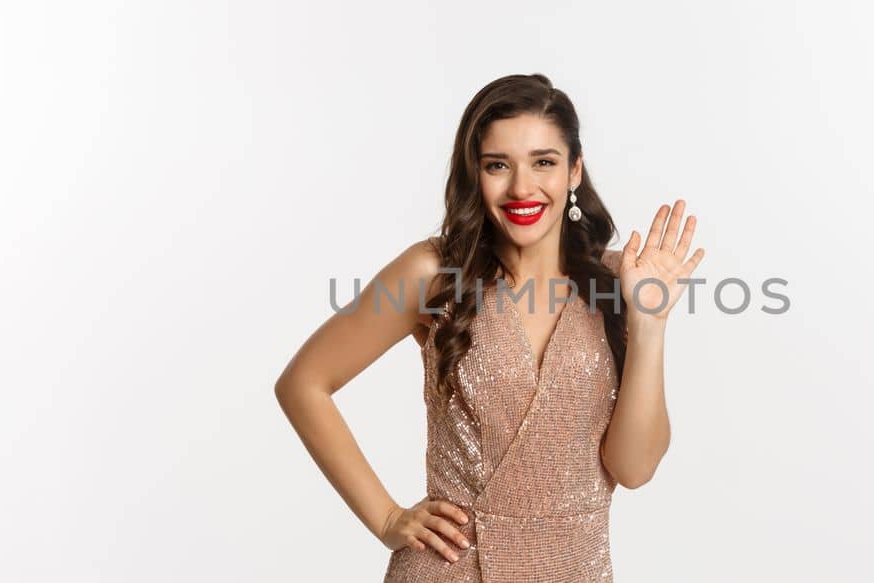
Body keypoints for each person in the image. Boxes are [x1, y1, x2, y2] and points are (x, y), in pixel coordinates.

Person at [274, 73, 705, 582]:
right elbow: (303, 384)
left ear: (574, 172)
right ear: (474, 175)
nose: (522, 187)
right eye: (497, 165)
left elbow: (633, 470)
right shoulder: (433, 274)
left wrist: (650, 323)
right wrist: (387, 517)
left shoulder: (619, 281)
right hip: (452, 569)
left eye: (543, 162)